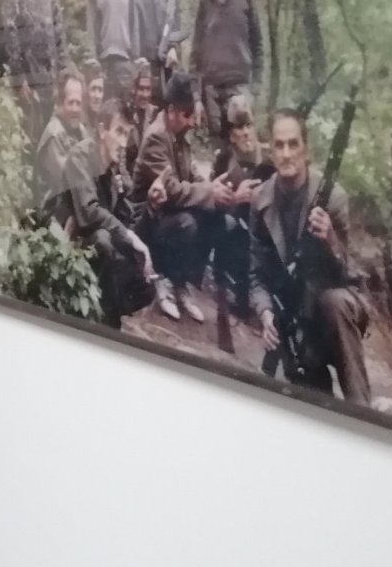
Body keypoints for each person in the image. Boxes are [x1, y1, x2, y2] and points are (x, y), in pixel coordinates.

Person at [250, 109, 371, 403]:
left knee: (334, 303)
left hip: (336, 312)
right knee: (311, 403)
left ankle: (362, 409)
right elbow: (255, 275)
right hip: (294, 317)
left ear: (306, 150)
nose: (286, 153)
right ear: (270, 150)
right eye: (279, 145)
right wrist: (266, 314)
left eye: (293, 144)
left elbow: (354, 275)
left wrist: (330, 239)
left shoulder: (334, 198)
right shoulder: (261, 201)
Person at [134, 71, 235, 323]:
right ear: (171, 110)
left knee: (218, 217)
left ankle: (183, 282)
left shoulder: (179, 138)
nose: (191, 122)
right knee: (187, 223)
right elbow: (172, 191)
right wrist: (209, 192)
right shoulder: (156, 137)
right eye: (186, 115)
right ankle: (162, 279)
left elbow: (192, 176)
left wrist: (214, 190)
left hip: (168, 213)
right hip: (147, 218)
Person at [60, 99, 156, 328]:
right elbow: (89, 212)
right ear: (102, 131)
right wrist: (131, 238)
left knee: (147, 287)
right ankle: (106, 322)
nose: (123, 143)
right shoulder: (80, 156)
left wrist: (150, 203)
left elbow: (124, 219)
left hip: (102, 245)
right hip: (71, 240)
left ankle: (101, 310)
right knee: (103, 241)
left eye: (127, 134)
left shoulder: (114, 166)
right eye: (119, 132)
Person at [0, 0, 69, 154]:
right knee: (34, 141)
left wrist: (64, 68)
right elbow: (10, 36)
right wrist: (21, 82)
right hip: (29, 78)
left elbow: (58, 24)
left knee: (55, 137)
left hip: (51, 75)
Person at [190, 0, 263, 145]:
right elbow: (196, 55)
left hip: (240, 86)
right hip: (212, 91)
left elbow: (258, 43)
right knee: (220, 151)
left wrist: (256, 89)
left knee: (243, 148)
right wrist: (197, 99)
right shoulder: (205, 2)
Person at [211, 95, 275, 317]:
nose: (246, 132)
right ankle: (229, 285)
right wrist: (236, 199)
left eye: (249, 125)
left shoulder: (270, 158)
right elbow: (212, 203)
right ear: (231, 135)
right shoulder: (223, 160)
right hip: (235, 227)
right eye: (239, 127)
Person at [35, 70, 88, 215]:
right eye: (71, 102)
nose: (76, 109)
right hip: (54, 215)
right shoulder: (55, 134)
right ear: (59, 103)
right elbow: (69, 184)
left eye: (79, 103)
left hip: (77, 207)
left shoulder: (80, 130)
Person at [122, 62, 158, 178]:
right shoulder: (125, 114)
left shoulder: (155, 116)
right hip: (128, 177)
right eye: (141, 89)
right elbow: (120, 159)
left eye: (148, 89)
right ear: (134, 89)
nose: (145, 94)